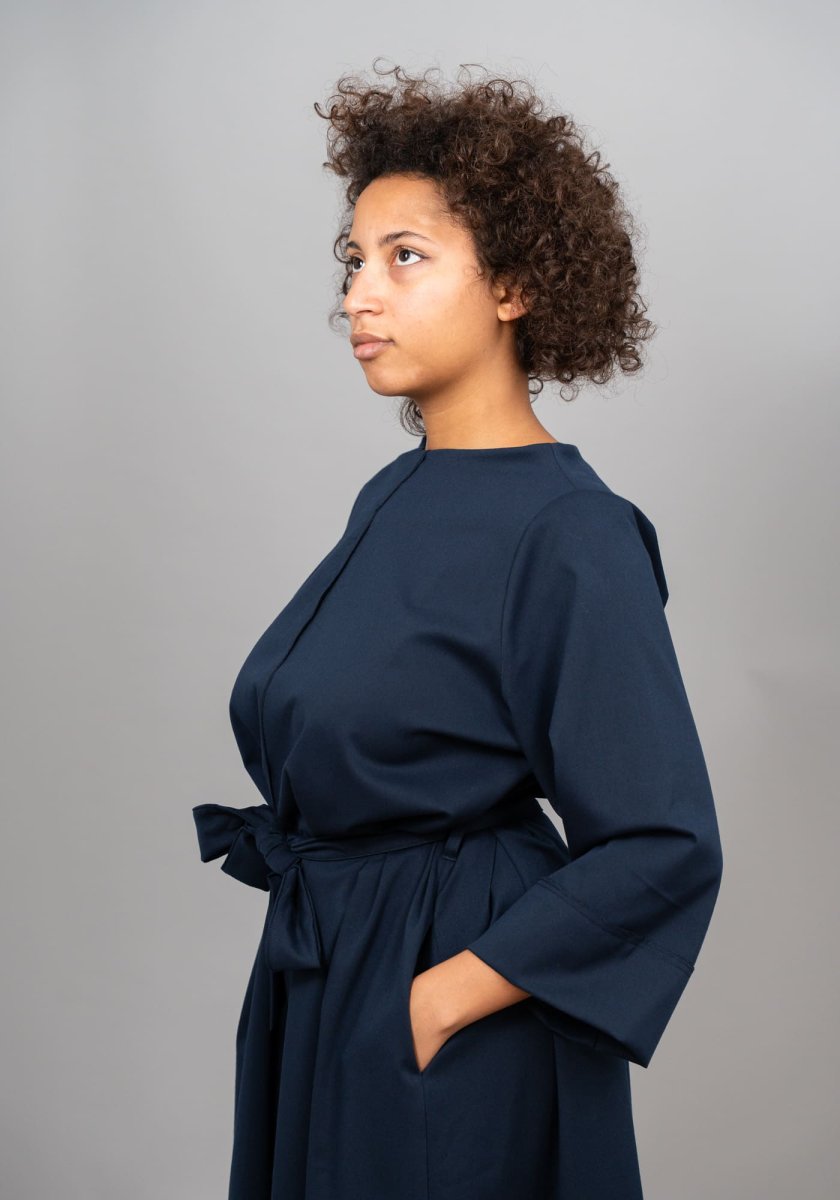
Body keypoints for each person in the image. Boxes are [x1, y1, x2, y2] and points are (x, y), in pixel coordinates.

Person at [193, 61, 724, 1200]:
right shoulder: (395, 492)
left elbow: (662, 841)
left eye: (405, 257)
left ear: (516, 283)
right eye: (353, 260)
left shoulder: (572, 531)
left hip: (448, 1013)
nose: (358, 297)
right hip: (329, 976)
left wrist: (436, 1002)